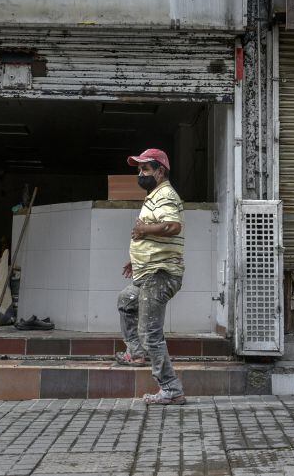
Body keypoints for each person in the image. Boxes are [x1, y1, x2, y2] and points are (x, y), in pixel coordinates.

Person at [116, 148, 187, 406]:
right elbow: (156, 235)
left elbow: (172, 226)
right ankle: (135, 353)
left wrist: (143, 230)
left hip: (159, 275)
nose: (141, 173)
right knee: (126, 300)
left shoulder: (165, 194)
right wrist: (136, 258)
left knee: (150, 333)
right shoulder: (154, 195)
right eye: (139, 169)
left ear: (160, 171)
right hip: (149, 272)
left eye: (146, 169)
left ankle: (170, 388)